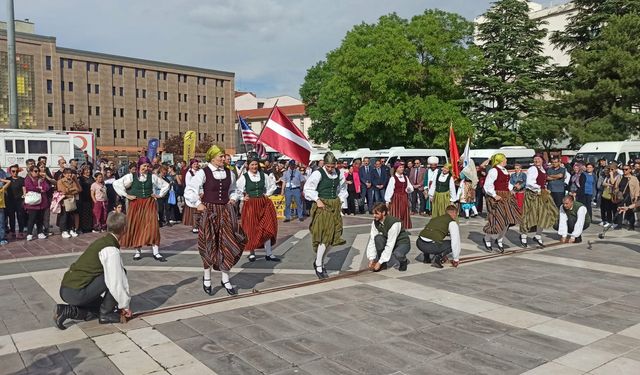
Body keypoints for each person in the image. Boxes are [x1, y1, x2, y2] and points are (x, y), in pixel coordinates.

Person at [185, 145, 246, 295]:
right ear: (212, 158)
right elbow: (190, 189)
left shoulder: (229, 173)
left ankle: (225, 277)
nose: (223, 159)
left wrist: (233, 198)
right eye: (221, 156)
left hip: (225, 211)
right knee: (208, 242)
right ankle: (207, 277)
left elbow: (234, 189)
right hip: (208, 211)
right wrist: (198, 204)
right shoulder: (203, 173)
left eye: (224, 156)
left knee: (227, 242)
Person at [54, 212, 132, 329]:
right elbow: (116, 281)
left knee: (98, 309)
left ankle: (66, 310)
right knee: (119, 273)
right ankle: (106, 315)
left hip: (67, 289)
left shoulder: (104, 241)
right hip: (76, 292)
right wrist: (124, 306)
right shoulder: (110, 249)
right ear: (124, 229)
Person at [113, 156, 170, 262]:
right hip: (136, 204)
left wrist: (159, 195)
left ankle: (156, 252)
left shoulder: (152, 177)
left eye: (148, 166)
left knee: (152, 226)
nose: (146, 168)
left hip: (149, 203)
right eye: (144, 166)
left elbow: (166, 185)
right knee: (137, 226)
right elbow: (116, 183)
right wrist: (126, 195)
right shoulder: (131, 176)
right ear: (139, 166)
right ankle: (138, 252)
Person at [303, 152, 348, 279]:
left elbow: (342, 189)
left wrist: (340, 200)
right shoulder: (318, 173)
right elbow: (308, 189)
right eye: (328, 166)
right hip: (322, 206)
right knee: (325, 236)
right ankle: (318, 264)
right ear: (324, 164)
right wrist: (317, 199)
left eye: (332, 166)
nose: (330, 168)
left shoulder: (338, 173)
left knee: (334, 237)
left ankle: (319, 261)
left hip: (334, 205)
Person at [236, 153, 279, 262]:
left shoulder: (263, 175)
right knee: (251, 228)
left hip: (263, 204)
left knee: (267, 226)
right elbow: (236, 189)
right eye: (252, 165)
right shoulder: (244, 177)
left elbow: (272, 185)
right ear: (248, 166)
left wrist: (267, 194)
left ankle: (269, 253)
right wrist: (242, 197)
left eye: (255, 164)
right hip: (250, 205)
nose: (254, 167)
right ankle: (252, 252)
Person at [482, 154, 522, 252]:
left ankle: (499, 239)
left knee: (508, 219)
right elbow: (487, 185)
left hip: (506, 196)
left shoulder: (504, 170)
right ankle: (487, 238)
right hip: (496, 197)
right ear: (500, 160)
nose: (506, 160)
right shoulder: (494, 170)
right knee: (497, 219)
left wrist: (513, 189)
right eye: (505, 159)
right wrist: (494, 195)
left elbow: (507, 184)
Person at [521, 155, 559, 247]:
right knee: (529, 215)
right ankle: (523, 236)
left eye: (538, 159)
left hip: (541, 193)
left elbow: (542, 181)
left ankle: (538, 235)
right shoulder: (533, 169)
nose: (536, 160)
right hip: (532, 194)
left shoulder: (542, 169)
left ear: (542, 160)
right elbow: (529, 183)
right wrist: (539, 189)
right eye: (535, 159)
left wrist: (544, 189)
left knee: (544, 214)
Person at [366, 203, 411, 272]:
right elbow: (372, 240)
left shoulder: (394, 224)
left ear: (383, 213)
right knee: (378, 238)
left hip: (402, 242)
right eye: (373, 214)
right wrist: (371, 259)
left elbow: (390, 244)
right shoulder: (375, 222)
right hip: (389, 240)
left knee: (398, 254)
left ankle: (403, 261)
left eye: (377, 214)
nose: (374, 216)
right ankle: (383, 263)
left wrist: (379, 262)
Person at [23, 165, 51, 241]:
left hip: (42, 202)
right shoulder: (28, 179)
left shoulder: (41, 179)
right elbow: (29, 187)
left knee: (40, 219)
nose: (37, 172)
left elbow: (47, 187)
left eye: (38, 171)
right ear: (31, 172)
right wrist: (39, 189)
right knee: (32, 218)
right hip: (33, 203)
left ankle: (40, 232)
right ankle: (29, 233)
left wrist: (41, 188)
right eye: (35, 171)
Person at [385, 161, 414, 229]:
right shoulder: (393, 178)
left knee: (404, 212)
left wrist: (408, 189)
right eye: (400, 167)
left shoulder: (405, 177)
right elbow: (390, 190)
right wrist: (387, 200)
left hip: (404, 198)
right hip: (396, 198)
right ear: (396, 168)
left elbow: (410, 188)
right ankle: (395, 228)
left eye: (403, 167)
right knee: (396, 213)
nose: (402, 169)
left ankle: (403, 227)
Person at [57, 168, 81, 239]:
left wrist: (70, 190)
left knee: (71, 215)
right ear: (64, 174)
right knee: (64, 215)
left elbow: (78, 189)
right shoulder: (60, 181)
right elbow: (63, 191)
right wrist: (72, 189)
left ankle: (71, 229)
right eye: (67, 173)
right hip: (64, 200)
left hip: (72, 200)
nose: (69, 175)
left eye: (70, 173)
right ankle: (63, 230)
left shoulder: (72, 181)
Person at [615, 164, 639, 230]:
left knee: (630, 210)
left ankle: (631, 225)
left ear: (630, 170)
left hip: (630, 196)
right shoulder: (620, 177)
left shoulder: (634, 178)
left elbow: (637, 188)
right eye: (623, 169)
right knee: (619, 209)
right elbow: (616, 186)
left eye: (626, 169)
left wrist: (636, 197)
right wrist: (616, 193)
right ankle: (619, 225)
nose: (624, 171)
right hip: (621, 196)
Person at [5, 165, 26, 239]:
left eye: (16, 171)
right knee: (11, 217)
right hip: (10, 201)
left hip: (19, 201)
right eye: (13, 171)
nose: (15, 173)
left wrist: (24, 198)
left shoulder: (21, 179)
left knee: (20, 216)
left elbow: (24, 190)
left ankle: (21, 231)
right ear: (10, 172)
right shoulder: (7, 179)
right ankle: (12, 231)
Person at [182, 159, 201, 233]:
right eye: (194, 164)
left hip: (200, 192)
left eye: (196, 164)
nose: (196, 165)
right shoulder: (189, 173)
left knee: (199, 210)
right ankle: (194, 225)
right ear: (191, 165)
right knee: (193, 210)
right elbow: (188, 184)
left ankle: (199, 225)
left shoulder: (200, 172)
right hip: (192, 193)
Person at [601, 162, 622, 227]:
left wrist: (612, 175)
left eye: (612, 169)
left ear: (616, 169)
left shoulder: (618, 176)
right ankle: (609, 221)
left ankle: (615, 222)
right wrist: (609, 184)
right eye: (609, 169)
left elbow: (613, 182)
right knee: (608, 208)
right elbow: (603, 183)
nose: (610, 171)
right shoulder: (608, 176)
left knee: (614, 209)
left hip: (614, 194)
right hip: (608, 193)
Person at [78, 166, 95, 233]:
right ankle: (83, 227)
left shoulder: (92, 178)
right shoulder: (80, 178)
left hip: (91, 198)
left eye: (89, 170)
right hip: (83, 198)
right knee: (84, 213)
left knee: (90, 213)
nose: (88, 171)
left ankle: (90, 227)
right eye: (86, 170)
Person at [0, 178, 11, 245]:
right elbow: (8, 181)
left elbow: (9, 182)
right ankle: (2, 239)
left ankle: (2, 239)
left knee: (1, 224)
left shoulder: (1, 189)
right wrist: (1, 180)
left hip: (1, 208)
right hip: (1, 208)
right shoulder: (1, 189)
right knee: (1, 225)